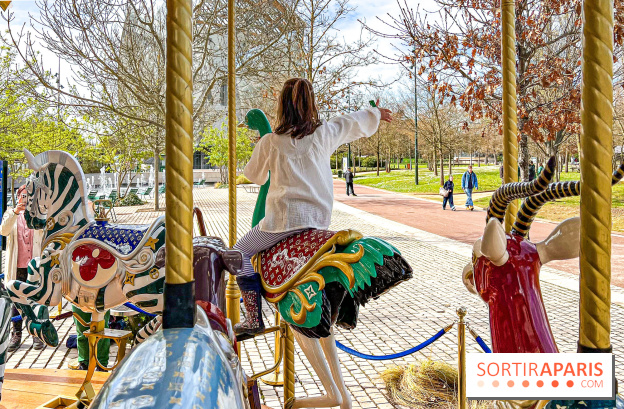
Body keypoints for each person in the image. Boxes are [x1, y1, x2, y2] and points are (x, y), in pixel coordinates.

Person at [234, 78, 392, 336]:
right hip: (318, 220)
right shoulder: (325, 133)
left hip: (281, 223)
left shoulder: (271, 142)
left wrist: (260, 149)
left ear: (281, 107)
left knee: (240, 251)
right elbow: (352, 122)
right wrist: (375, 113)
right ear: (311, 105)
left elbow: (255, 177)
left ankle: (253, 318)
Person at [0, 185, 45, 351]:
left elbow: (45, 232)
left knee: (34, 300)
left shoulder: (38, 215)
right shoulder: (10, 213)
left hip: (34, 267)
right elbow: (3, 231)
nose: (25, 200)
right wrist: (16, 212)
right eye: (23, 196)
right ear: (18, 197)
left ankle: (36, 334)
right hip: (17, 266)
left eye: (28, 196)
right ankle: (16, 334)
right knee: (15, 301)